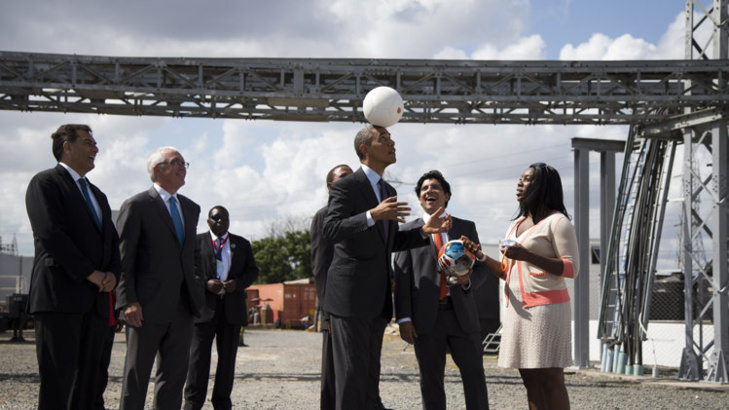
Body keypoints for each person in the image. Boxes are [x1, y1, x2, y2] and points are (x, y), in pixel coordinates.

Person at [322, 125, 452, 409]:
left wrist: (424, 231)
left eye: (391, 137)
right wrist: (371, 214)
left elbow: (389, 242)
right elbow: (330, 229)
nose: (392, 142)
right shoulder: (347, 186)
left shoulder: (388, 190)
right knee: (352, 377)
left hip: (377, 300)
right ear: (365, 149)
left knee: (369, 379)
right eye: (384, 138)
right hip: (350, 299)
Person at [462, 162, 579, 410]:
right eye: (520, 178)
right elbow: (508, 271)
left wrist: (527, 255)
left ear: (543, 186)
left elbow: (571, 268)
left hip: (546, 310)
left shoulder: (558, 223)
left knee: (551, 378)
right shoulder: (516, 224)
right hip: (517, 311)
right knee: (530, 380)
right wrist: (480, 256)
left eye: (526, 179)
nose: (519, 183)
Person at [25, 124, 120, 410]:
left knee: (91, 385)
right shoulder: (45, 183)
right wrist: (91, 274)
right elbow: (51, 234)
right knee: (59, 384)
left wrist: (113, 275)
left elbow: (112, 243)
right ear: (67, 146)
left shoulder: (97, 194)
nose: (96, 149)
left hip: (96, 304)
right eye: (88, 142)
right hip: (60, 300)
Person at [116, 146, 205, 410]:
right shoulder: (137, 205)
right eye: (175, 162)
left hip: (183, 306)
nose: (182, 167)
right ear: (158, 169)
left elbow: (192, 255)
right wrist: (128, 301)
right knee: (137, 375)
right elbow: (123, 258)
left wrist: (197, 286)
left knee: (174, 377)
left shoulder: (190, 208)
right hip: (145, 307)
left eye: (184, 162)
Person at [393, 170, 490, 409]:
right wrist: (403, 317)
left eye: (435, 187)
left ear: (446, 195)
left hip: (462, 316)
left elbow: (482, 269)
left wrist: (467, 281)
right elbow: (402, 277)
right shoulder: (408, 232)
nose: (429, 191)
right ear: (419, 199)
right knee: (431, 382)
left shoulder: (466, 227)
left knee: (475, 378)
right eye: (424, 189)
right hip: (426, 320)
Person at [184, 205, 260, 410]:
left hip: (232, 311)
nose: (220, 222)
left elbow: (253, 271)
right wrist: (205, 283)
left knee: (227, 362)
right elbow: (188, 271)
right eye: (215, 218)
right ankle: (192, 403)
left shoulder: (242, 244)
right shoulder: (196, 243)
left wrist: (238, 283)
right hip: (203, 311)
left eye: (224, 218)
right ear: (208, 221)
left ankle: (222, 402)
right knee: (198, 361)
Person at [310, 163, 353, 409]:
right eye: (344, 178)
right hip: (334, 308)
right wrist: (326, 310)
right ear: (331, 186)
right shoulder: (323, 217)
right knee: (333, 369)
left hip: (360, 306)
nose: (350, 182)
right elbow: (320, 266)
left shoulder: (363, 215)